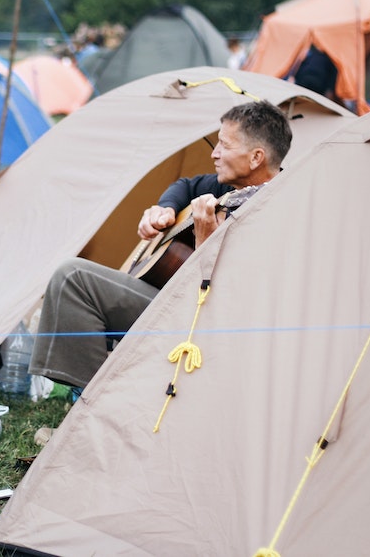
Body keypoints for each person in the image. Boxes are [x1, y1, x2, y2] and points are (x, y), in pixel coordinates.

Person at [29, 100, 293, 389]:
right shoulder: (232, 188)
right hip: (176, 305)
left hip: (205, 331)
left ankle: (95, 403)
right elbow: (186, 186)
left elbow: (224, 302)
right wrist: (165, 209)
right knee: (76, 278)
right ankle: (93, 391)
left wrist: (206, 240)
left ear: (256, 158)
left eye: (225, 146)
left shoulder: (275, 215)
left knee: (74, 277)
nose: (214, 154)